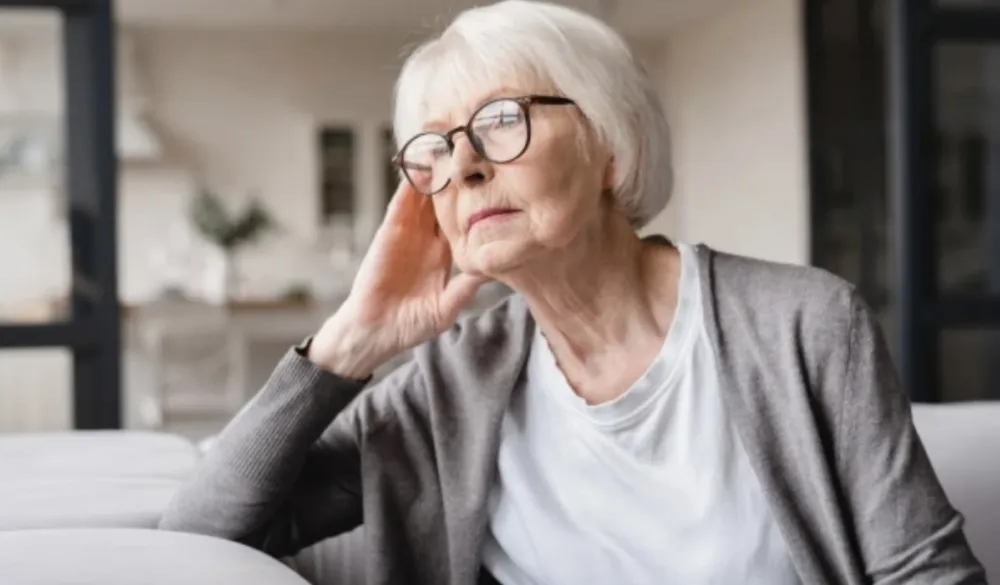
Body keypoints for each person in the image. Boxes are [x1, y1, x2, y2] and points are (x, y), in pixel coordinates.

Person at [158, 1, 986, 584]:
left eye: (501, 120)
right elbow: (197, 538)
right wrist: (348, 344)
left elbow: (927, 573)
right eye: (437, 148)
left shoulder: (805, 325)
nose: (467, 164)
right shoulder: (451, 381)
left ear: (609, 149)